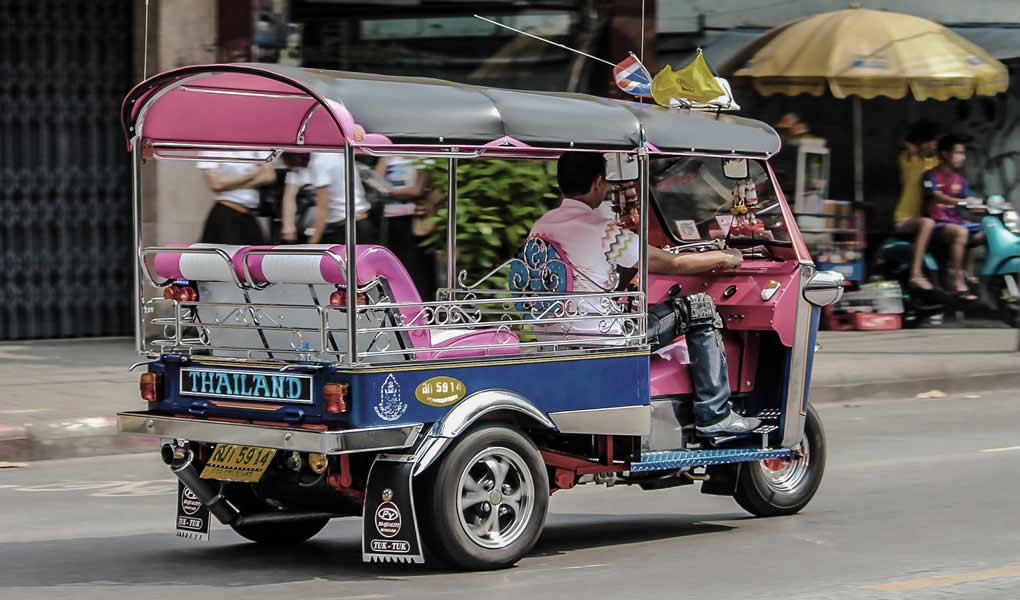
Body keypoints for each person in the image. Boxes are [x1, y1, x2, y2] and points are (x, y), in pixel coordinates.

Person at [529, 152, 759, 436]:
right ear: (598, 183)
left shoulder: (541, 226)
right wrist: (724, 257)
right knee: (700, 307)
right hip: (607, 341)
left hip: (555, 338)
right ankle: (715, 415)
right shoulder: (602, 230)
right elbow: (673, 263)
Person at [922, 136, 983, 302]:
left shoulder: (960, 180)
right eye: (958, 153)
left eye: (963, 153)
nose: (962, 157)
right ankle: (958, 281)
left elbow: (972, 205)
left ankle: (972, 275)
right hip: (938, 225)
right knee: (961, 232)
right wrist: (963, 201)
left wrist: (989, 207)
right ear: (945, 154)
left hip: (957, 223)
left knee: (988, 232)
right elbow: (937, 196)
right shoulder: (930, 175)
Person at [375, 156, 439, 301]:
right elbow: (376, 182)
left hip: (414, 219)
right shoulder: (389, 156)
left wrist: (388, 192)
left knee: (416, 269)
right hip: (391, 220)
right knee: (395, 267)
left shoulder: (423, 156)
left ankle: (423, 308)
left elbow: (417, 190)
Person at [280, 152, 374, 245]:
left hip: (349, 228)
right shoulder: (332, 155)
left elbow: (323, 209)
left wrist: (312, 243)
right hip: (357, 222)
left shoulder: (318, 163)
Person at [892, 120, 939, 291]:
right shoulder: (908, 160)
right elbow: (905, 148)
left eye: (935, 141)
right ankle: (916, 273)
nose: (933, 145)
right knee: (927, 223)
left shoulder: (935, 163)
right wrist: (912, 149)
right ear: (919, 143)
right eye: (930, 141)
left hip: (930, 217)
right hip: (904, 218)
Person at [197, 152, 277, 244]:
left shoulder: (255, 144)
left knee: (256, 255)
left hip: (249, 214)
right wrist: (250, 175)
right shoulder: (212, 148)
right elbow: (216, 184)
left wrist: (231, 186)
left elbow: (269, 176)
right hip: (227, 212)